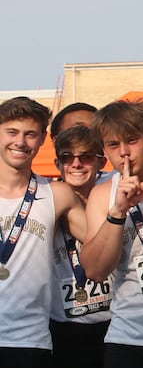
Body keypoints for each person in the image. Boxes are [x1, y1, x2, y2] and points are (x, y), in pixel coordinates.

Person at [82, 99, 143, 368]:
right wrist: (118, 211)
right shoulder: (103, 194)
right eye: (113, 145)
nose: (124, 152)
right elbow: (94, 271)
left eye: (131, 140)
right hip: (131, 337)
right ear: (104, 149)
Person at [0, 97, 87, 366]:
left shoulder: (57, 194)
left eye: (30, 134)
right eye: (12, 132)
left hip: (30, 341)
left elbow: (103, 242)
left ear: (42, 139)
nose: (20, 142)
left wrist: (119, 209)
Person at [49, 125, 111, 368]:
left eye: (85, 156)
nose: (76, 164)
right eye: (67, 157)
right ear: (57, 164)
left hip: (115, 323)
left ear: (101, 162)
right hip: (64, 327)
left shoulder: (117, 194)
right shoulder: (46, 199)